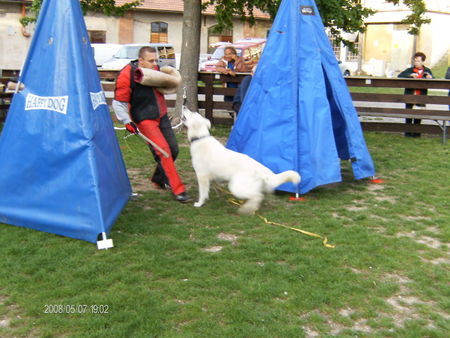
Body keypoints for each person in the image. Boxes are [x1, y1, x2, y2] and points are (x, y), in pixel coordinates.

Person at [112, 46, 191, 203]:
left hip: (161, 116)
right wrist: (127, 122)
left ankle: (158, 179)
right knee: (164, 151)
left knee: (174, 149)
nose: (155, 64)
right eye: (150, 61)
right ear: (140, 60)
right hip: (144, 118)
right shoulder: (127, 74)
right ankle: (178, 189)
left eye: (156, 60)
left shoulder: (156, 70)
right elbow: (119, 102)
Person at [398, 52, 433, 137]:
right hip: (410, 95)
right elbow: (400, 75)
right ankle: (408, 133)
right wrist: (410, 75)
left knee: (419, 115)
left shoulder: (427, 70)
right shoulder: (410, 70)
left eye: (418, 61)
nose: (416, 63)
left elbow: (433, 78)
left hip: (421, 96)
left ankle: (417, 133)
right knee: (408, 115)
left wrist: (430, 77)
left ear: (423, 62)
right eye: (415, 61)